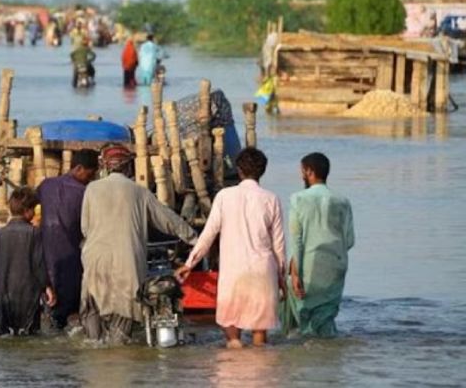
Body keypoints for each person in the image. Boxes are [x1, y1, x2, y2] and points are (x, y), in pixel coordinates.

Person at [79, 145, 197, 344]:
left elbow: (85, 227)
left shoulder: (91, 189)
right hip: (127, 261)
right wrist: (194, 238)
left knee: (92, 309)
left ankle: (94, 348)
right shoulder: (139, 192)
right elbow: (168, 220)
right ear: (128, 168)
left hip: (95, 259)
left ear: (105, 167)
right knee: (124, 314)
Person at [176, 147, 286, 348]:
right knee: (260, 339)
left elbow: (208, 234)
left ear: (239, 170)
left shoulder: (225, 197)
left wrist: (190, 264)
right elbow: (278, 246)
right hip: (263, 271)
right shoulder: (271, 199)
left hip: (234, 273)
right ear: (263, 171)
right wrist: (282, 279)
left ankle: (232, 369)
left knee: (232, 337)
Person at [281, 152, 354, 338]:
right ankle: (329, 361)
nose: (301, 175)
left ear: (309, 172)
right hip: (336, 265)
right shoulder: (343, 201)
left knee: (303, 316)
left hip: (309, 264)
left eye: (302, 171)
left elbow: (296, 239)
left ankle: (310, 360)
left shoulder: (298, 199)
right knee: (326, 317)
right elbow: (350, 240)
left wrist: (295, 271)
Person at [37, 150, 99, 329]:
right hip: (71, 258)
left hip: (45, 258)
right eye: (90, 173)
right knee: (70, 309)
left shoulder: (46, 185)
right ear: (78, 168)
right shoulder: (85, 193)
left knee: (51, 307)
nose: (91, 178)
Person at [0, 187, 56, 336]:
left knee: (5, 334)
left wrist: (7, 275)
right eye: (33, 209)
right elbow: (38, 265)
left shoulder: (0, 234)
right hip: (28, 292)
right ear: (27, 210)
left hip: (4, 291)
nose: (34, 213)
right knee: (30, 333)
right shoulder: (34, 233)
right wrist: (47, 287)